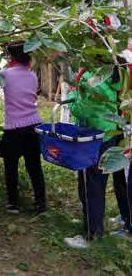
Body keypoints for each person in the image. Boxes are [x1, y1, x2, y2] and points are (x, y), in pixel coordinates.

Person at [65, 61, 126, 248]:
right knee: (100, 182)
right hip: (110, 133)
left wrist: (73, 95)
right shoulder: (117, 72)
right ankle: (96, 223)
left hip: (94, 136)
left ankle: (92, 234)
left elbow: (81, 108)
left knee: (91, 185)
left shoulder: (92, 77)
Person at [0, 42, 46, 215]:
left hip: (14, 127)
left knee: (11, 167)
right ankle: (41, 203)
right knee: (34, 167)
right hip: (33, 125)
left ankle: (13, 203)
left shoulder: (5, 74)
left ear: (11, 57)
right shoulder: (32, 75)